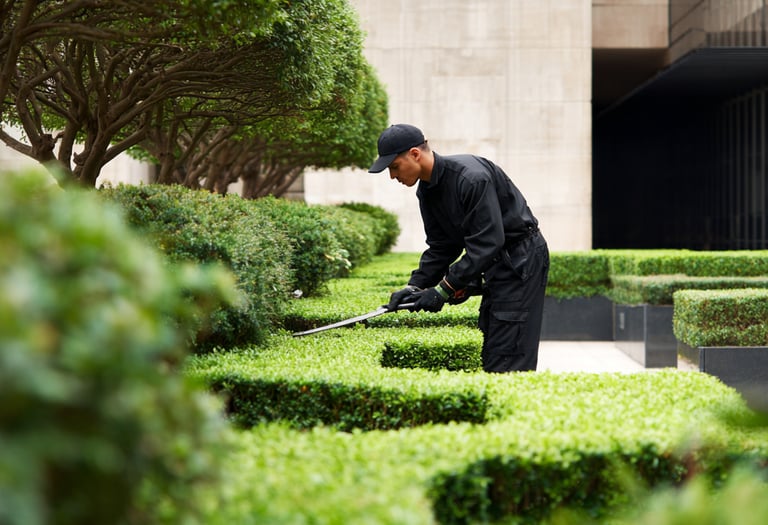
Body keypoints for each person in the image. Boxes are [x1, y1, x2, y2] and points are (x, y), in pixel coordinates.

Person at [369, 124, 549, 373]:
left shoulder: (471, 178)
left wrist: (443, 290)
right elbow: (442, 246)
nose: (392, 176)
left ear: (414, 154)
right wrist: (415, 285)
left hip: (521, 258)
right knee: (491, 338)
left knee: (508, 352)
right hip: (495, 259)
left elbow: (487, 242)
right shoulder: (427, 191)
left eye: (394, 167)